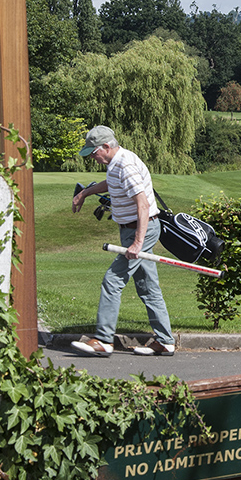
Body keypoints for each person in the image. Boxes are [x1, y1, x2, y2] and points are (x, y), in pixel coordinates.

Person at [70, 125, 175, 357]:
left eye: (94, 153)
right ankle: (166, 341)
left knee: (112, 280)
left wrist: (138, 243)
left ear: (106, 147)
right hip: (133, 230)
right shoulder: (116, 163)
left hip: (141, 230)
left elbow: (143, 204)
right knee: (148, 286)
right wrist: (84, 193)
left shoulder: (125, 165)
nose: (93, 159)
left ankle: (104, 340)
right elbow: (110, 184)